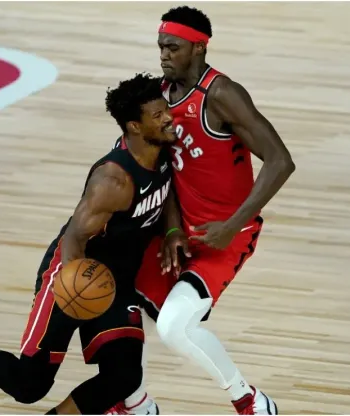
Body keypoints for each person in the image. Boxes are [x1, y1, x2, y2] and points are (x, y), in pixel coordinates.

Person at [0, 73, 178, 414]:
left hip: (117, 282)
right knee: (29, 385)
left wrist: (172, 232)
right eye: (158, 115)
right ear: (135, 127)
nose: (168, 118)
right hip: (73, 273)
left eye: (166, 110)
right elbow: (76, 236)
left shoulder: (161, 149)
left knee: (123, 376)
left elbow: (169, 193)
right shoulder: (113, 180)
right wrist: (77, 292)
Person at [106, 6, 296, 415]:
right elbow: (166, 171)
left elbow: (281, 161)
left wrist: (232, 226)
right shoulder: (160, 100)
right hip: (177, 231)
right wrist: (172, 229)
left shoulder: (222, 95)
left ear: (198, 47)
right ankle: (136, 405)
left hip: (227, 233)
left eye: (172, 47)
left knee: (175, 327)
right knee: (121, 300)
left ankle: (249, 400)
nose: (163, 55)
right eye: (160, 46)